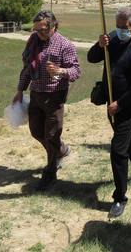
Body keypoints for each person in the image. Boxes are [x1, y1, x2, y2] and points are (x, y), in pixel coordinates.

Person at [87, 7, 131, 218]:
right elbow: (91, 58)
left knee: (117, 148)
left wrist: (120, 104)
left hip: (128, 103)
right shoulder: (113, 38)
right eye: (117, 26)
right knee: (125, 138)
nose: (120, 31)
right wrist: (100, 45)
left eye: (124, 27)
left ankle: (119, 197)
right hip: (110, 100)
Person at [12, 10, 81, 191]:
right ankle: (61, 150)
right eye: (36, 30)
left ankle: (50, 173)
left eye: (43, 30)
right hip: (36, 95)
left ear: (54, 26)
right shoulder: (33, 42)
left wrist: (60, 71)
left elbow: (76, 71)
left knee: (51, 136)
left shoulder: (64, 45)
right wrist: (20, 90)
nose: (39, 33)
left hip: (55, 96)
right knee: (36, 132)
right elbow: (27, 69)